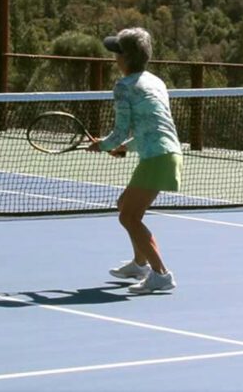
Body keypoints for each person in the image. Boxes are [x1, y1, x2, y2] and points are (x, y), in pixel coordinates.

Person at [90, 27, 181, 294]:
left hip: (157, 157)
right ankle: (139, 264)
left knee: (129, 216)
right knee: (124, 206)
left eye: (117, 53)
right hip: (168, 152)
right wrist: (125, 148)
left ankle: (161, 274)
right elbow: (152, 127)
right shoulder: (157, 82)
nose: (114, 58)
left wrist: (103, 145)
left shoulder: (124, 87)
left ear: (126, 57)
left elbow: (120, 131)